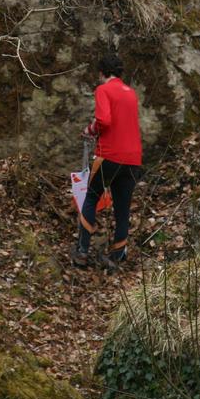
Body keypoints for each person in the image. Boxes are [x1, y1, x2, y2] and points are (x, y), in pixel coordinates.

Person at [71, 52, 142, 270]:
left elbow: (103, 120)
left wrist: (90, 130)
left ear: (102, 73)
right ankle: (117, 255)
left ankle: (82, 251)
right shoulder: (131, 93)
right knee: (122, 207)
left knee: (91, 198)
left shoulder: (103, 90)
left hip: (109, 155)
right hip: (133, 158)